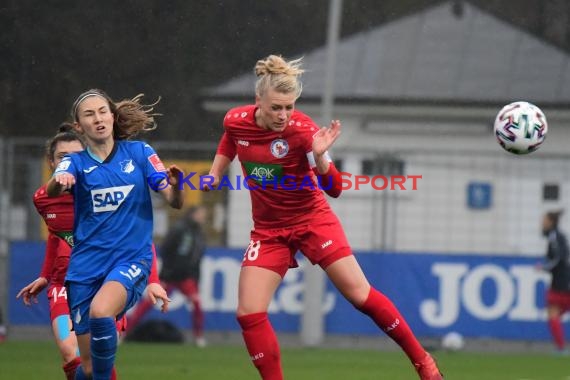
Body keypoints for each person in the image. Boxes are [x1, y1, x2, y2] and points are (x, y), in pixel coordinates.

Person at [204, 55, 443, 380]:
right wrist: (215, 173)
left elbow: (336, 189)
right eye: (276, 107)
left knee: (360, 295)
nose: (283, 115)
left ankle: (423, 362)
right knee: (248, 312)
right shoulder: (235, 120)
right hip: (269, 231)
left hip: (312, 221)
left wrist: (319, 156)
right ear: (258, 101)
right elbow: (231, 141)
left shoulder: (304, 132)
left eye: (289, 107)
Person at [47, 89, 183, 379]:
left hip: (130, 260)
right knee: (88, 367)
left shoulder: (140, 153)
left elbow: (173, 200)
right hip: (84, 268)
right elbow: (51, 189)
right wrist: (60, 180)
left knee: (100, 311)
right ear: (78, 125)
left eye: (102, 111)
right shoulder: (75, 162)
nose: (98, 119)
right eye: (89, 114)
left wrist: (177, 186)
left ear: (112, 115)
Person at [17, 124, 166, 379]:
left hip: (106, 279)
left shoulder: (103, 189)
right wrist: (45, 275)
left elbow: (136, 239)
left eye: (77, 155)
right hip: (65, 283)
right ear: (51, 163)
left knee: (94, 363)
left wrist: (152, 281)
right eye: (64, 157)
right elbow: (57, 235)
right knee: (68, 350)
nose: (72, 161)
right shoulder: (43, 198)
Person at [127, 205, 208, 347]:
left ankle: (198, 336)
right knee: (148, 303)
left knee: (197, 305)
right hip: (169, 276)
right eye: (201, 214)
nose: (203, 217)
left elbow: (197, 259)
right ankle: (125, 332)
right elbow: (166, 250)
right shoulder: (179, 229)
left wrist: (195, 278)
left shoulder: (199, 234)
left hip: (186, 277)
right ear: (193, 214)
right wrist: (167, 271)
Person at [538, 209, 570, 354]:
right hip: (561, 280)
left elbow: (559, 258)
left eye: (544, 221)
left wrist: (544, 267)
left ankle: (561, 348)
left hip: (562, 282)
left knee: (553, 312)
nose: (541, 224)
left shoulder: (555, 237)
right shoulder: (555, 236)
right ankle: (561, 348)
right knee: (553, 312)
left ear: (550, 222)